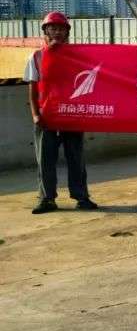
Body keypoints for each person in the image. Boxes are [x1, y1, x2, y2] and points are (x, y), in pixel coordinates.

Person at [25, 11, 98, 214]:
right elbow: (32, 89)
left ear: (67, 32)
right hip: (47, 116)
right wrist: (35, 114)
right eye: (53, 28)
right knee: (45, 159)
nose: (57, 32)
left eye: (61, 29)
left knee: (76, 157)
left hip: (72, 115)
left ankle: (81, 196)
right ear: (46, 31)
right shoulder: (36, 57)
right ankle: (46, 198)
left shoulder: (77, 56)